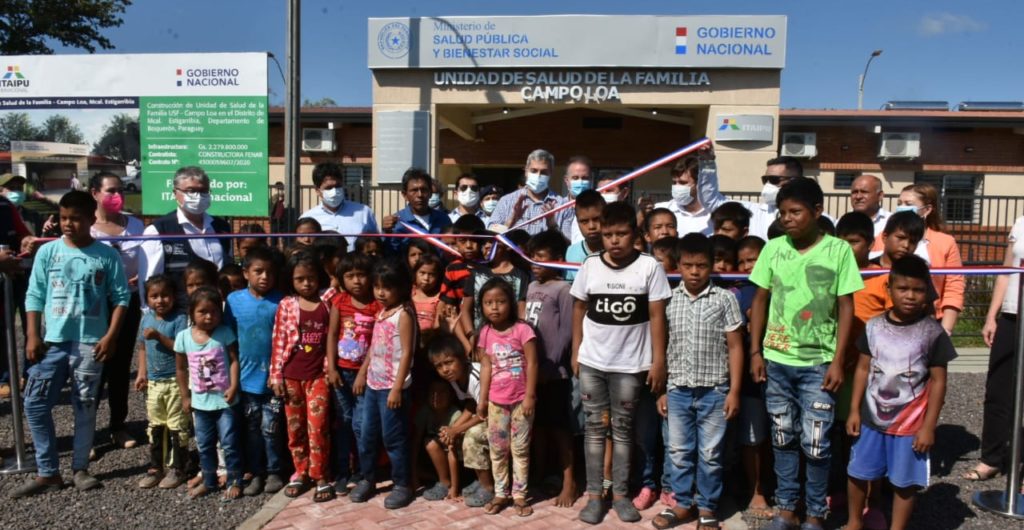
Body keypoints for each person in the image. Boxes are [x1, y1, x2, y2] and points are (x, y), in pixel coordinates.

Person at [747, 178, 864, 530]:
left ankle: (815, 513)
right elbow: (760, 301)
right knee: (783, 438)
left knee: (816, 442)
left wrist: (838, 360)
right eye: (783, 213)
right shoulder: (773, 249)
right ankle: (786, 510)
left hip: (818, 365)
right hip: (776, 362)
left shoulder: (838, 251)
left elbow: (847, 307)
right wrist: (756, 352)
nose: (788, 219)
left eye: (796, 211)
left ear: (817, 211)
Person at [13, 190, 131, 498]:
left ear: (91, 219)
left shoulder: (107, 255)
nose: (68, 224)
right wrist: (33, 334)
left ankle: (80, 467)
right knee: (35, 403)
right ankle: (47, 471)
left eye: (76, 219)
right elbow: (34, 295)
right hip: (51, 343)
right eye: (64, 218)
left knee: (85, 406)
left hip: (90, 346)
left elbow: (121, 298)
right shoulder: (47, 252)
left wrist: (110, 336)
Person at [570, 201, 672, 524]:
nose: (614, 240)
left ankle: (621, 496)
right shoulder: (589, 266)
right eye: (608, 234)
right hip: (592, 363)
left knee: (624, 432)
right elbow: (578, 309)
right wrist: (576, 350)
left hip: (631, 367)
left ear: (636, 233)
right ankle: (594, 497)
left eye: (621, 233)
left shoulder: (649, 267)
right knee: (595, 432)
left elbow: (658, 317)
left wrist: (658, 362)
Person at [845, 256, 955, 530]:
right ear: (889, 289)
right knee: (858, 472)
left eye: (918, 290)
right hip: (870, 419)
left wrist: (929, 426)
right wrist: (854, 410)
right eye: (903, 289)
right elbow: (862, 369)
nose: (910, 296)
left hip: (910, 425)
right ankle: (854, 522)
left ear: (927, 292)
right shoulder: (873, 326)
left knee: (904, 482)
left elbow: (939, 381)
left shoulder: (932, 332)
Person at [652, 233, 743, 530]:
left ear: (711, 265)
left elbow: (735, 347)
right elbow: (663, 346)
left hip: (715, 391)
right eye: (688, 265)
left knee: (711, 454)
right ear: (678, 265)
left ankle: (706, 506)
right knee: (678, 451)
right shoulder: (668, 298)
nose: (694, 272)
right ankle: (681, 503)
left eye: (701, 265)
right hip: (678, 389)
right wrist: (663, 390)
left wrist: (734, 392)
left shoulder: (725, 299)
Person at [83, 172, 145, 450]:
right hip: (96, 307)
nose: (116, 195)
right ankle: (86, 433)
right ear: (94, 193)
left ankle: (118, 426)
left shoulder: (136, 225)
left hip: (128, 303)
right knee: (92, 367)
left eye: (120, 189)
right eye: (110, 190)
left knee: (120, 367)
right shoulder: (86, 229)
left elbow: (146, 261)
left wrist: (138, 279)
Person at [349, 261, 417, 509]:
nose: (380, 292)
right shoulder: (381, 312)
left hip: (392, 388)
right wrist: (361, 374)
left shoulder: (404, 314)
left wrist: (398, 388)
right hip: (372, 386)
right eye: (377, 286)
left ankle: (402, 484)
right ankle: (368, 479)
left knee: (393, 438)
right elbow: (373, 348)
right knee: (367, 436)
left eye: (386, 287)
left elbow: (408, 352)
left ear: (401, 288)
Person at [269, 251, 334, 503]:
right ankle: (300, 471)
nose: (306, 283)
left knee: (318, 428)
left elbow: (335, 281)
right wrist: (276, 376)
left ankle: (320, 475)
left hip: (318, 376)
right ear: (292, 281)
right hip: (291, 376)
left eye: (311, 277)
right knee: (295, 428)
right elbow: (279, 340)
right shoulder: (286, 304)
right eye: (300, 279)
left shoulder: (328, 300)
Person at [223, 246, 286, 496]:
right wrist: (231, 378)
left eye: (269, 272)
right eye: (258, 271)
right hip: (245, 380)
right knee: (251, 430)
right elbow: (229, 342)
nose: (264, 277)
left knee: (271, 429)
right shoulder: (233, 301)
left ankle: (274, 471)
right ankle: (257, 472)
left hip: (272, 380)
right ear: (246, 272)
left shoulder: (282, 301)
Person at [475, 278, 539, 517]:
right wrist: (481, 400)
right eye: (488, 302)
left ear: (511, 303)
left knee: (520, 449)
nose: (494, 307)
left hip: (521, 401)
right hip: (495, 402)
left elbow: (532, 363)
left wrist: (530, 396)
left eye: (500, 302)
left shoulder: (524, 330)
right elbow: (486, 368)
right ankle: (501, 492)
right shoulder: (485, 333)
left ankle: (520, 494)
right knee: (497, 449)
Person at [524, 229, 577, 507]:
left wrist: (550, 364)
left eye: (540, 257)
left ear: (557, 259)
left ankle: (569, 481)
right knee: (540, 428)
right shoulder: (532, 287)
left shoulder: (564, 289)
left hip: (554, 374)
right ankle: (541, 475)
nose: (534, 262)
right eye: (532, 257)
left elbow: (567, 332)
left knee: (559, 429)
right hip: (533, 374)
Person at [174, 286, 242, 500]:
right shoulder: (183, 337)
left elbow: (233, 360)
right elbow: (180, 369)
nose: (209, 316)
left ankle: (234, 481)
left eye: (214, 311)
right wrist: (185, 396)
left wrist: (233, 387)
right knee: (204, 445)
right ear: (191, 313)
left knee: (229, 444)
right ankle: (210, 481)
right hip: (201, 403)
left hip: (225, 402)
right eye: (202, 312)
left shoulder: (224, 333)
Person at [971, 214, 1024, 482]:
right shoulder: (1021, 222)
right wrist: (992, 315)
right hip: (1013, 315)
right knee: (997, 390)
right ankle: (991, 458)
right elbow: (1006, 270)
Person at [325, 252, 382, 495]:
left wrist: (363, 373)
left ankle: (363, 472)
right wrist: (333, 368)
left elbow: (378, 341)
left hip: (366, 376)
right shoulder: (339, 301)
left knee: (362, 424)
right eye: (350, 276)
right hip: (342, 374)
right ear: (341, 279)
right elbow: (331, 333)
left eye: (361, 275)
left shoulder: (377, 304)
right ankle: (342, 471)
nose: (357, 281)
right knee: (344, 422)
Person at [139, 166, 231, 308]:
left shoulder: (222, 228)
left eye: (203, 191)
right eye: (191, 191)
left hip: (218, 312)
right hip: (178, 315)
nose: (198, 196)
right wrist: (149, 316)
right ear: (175, 193)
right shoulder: (158, 230)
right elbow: (148, 282)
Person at [135, 275, 190, 490]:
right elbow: (141, 347)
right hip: (154, 383)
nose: (160, 301)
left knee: (177, 425)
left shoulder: (179, 320)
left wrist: (159, 337)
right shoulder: (146, 319)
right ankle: (156, 466)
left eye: (165, 295)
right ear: (147, 298)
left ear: (174, 296)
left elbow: (180, 347)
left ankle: (179, 466)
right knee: (156, 425)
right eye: (154, 296)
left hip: (175, 381)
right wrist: (142, 373)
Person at [891, 183, 964, 335]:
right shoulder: (884, 239)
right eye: (899, 204)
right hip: (890, 319)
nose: (901, 208)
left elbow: (954, 286)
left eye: (908, 204)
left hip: (929, 320)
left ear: (927, 210)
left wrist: (946, 329)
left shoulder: (945, 242)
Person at [699, 154, 804, 241]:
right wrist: (707, 163)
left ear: (794, 181)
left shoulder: (812, 216)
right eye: (765, 180)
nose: (767, 185)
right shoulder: (752, 212)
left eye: (773, 180)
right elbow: (712, 201)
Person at [489, 149, 573, 237]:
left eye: (544, 172)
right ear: (526, 171)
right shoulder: (506, 201)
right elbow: (490, 234)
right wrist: (511, 221)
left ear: (551, 173)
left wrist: (552, 226)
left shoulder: (563, 206)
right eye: (534, 171)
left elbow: (568, 243)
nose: (538, 175)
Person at [299, 161, 378, 248]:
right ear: (317, 190)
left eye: (338, 186)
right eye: (328, 188)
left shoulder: (364, 212)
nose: (334, 191)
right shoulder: (308, 217)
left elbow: (377, 241)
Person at [411, 378, 463, 501]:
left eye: (442, 392)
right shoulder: (425, 411)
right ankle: (438, 478)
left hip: (458, 461)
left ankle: (445, 482)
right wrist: (413, 477)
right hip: (437, 461)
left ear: (451, 396)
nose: (436, 396)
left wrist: (454, 488)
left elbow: (452, 452)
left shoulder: (455, 414)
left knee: (431, 444)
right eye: (432, 392)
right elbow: (415, 442)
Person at [382, 168, 453, 256]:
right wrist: (387, 233)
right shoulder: (397, 222)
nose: (420, 195)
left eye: (424, 190)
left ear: (430, 193)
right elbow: (390, 254)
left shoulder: (443, 219)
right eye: (414, 190)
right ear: (405, 195)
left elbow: (451, 248)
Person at [654, 152, 713, 237]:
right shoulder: (661, 210)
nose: (677, 187)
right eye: (674, 182)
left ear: (700, 184)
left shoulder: (715, 213)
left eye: (683, 183)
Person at [565, 190, 605, 281]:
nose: (591, 227)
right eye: (584, 221)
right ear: (577, 222)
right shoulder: (571, 252)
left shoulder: (617, 250)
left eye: (596, 219)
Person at [412, 253, 443, 346]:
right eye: (422, 273)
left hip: (428, 342)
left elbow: (437, 325)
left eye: (431, 274)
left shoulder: (439, 298)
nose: (426, 278)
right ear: (415, 273)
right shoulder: (409, 293)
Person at [850, 175, 890, 239]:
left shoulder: (891, 222)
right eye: (855, 192)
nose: (858, 197)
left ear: (880, 195)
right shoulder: (840, 223)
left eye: (864, 192)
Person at [565, 156, 594, 244]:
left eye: (585, 178)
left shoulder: (598, 208)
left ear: (591, 180)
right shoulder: (556, 207)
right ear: (567, 181)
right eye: (575, 178)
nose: (580, 182)